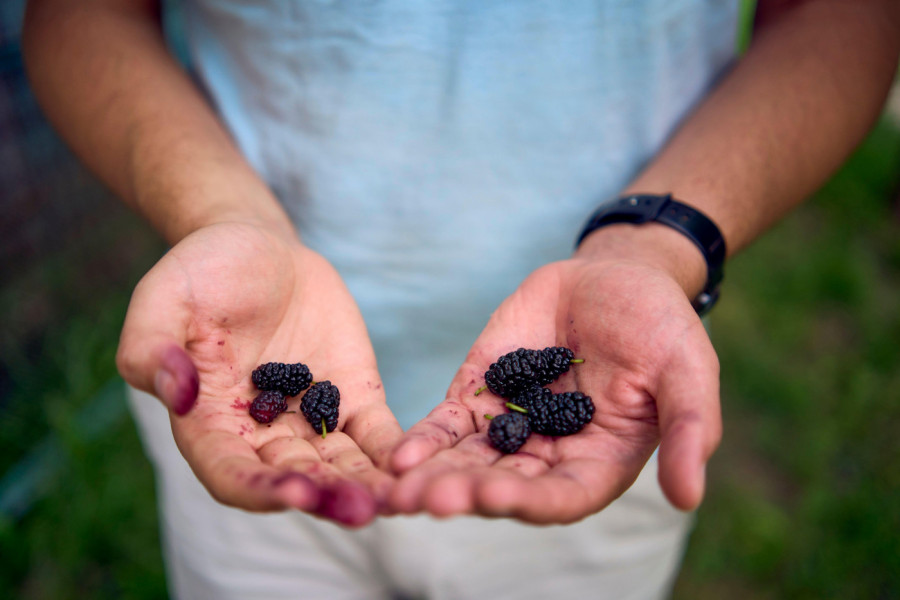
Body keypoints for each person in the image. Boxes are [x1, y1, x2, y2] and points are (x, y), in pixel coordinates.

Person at [22, 0, 899, 598]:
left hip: (613, 407)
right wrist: (223, 215)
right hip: (244, 418)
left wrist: (656, 246)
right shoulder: (265, 393)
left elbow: (844, 20)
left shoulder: (577, 393)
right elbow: (76, 18)